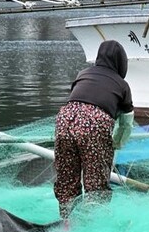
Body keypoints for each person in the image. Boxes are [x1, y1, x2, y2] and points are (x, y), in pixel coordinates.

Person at [53, 40, 134, 220]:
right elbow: (126, 122)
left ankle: (67, 222)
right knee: (96, 181)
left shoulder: (83, 74)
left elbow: (77, 99)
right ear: (121, 62)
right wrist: (117, 143)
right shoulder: (121, 85)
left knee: (67, 176)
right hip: (94, 123)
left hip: (65, 119)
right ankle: (93, 223)